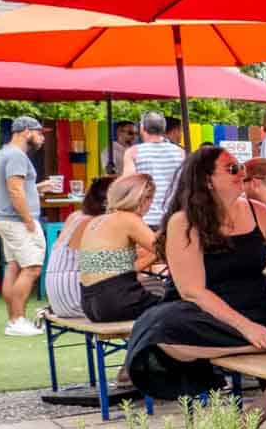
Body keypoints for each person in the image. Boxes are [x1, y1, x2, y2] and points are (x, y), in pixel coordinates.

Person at [123, 146, 266, 405]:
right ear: (207, 180)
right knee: (160, 332)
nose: (242, 174)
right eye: (232, 169)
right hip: (203, 314)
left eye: (243, 169)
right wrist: (248, 330)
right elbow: (193, 291)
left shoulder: (255, 210)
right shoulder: (184, 221)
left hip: (255, 309)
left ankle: (252, 417)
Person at [0, 115, 60, 336]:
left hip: (7, 220)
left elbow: (19, 187)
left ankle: (13, 320)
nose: (42, 138)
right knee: (32, 268)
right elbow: (14, 190)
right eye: (39, 132)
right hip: (18, 221)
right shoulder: (17, 156)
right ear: (25, 132)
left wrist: (39, 187)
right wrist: (29, 220)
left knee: (13, 266)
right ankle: (17, 319)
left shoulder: (4, 153)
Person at [74, 174, 166, 324]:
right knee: (180, 306)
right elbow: (165, 250)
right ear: (140, 198)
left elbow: (117, 265)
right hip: (117, 300)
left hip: (90, 303)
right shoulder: (129, 219)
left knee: (159, 293)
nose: (151, 204)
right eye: (150, 198)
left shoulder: (97, 220)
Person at [44, 174, 114, 322]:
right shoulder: (93, 222)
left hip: (59, 299)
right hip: (76, 299)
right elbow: (109, 265)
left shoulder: (76, 216)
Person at [123, 111, 184, 230]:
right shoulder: (181, 153)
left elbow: (128, 185)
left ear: (142, 128)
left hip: (144, 218)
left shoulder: (133, 152)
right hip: (172, 218)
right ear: (163, 128)